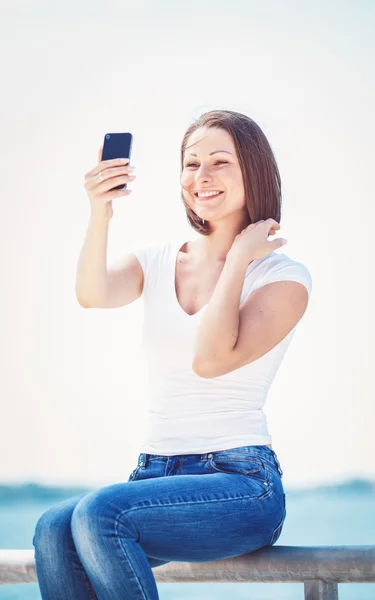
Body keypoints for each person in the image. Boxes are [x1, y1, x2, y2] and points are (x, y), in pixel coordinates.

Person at [33, 109, 312, 599]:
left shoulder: (283, 278)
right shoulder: (160, 260)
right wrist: (101, 212)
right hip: (154, 474)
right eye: (190, 163)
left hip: (242, 485)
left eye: (219, 162)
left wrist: (239, 259)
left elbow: (210, 360)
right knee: (53, 528)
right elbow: (92, 293)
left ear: (255, 171)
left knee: (101, 514)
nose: (201, 177)